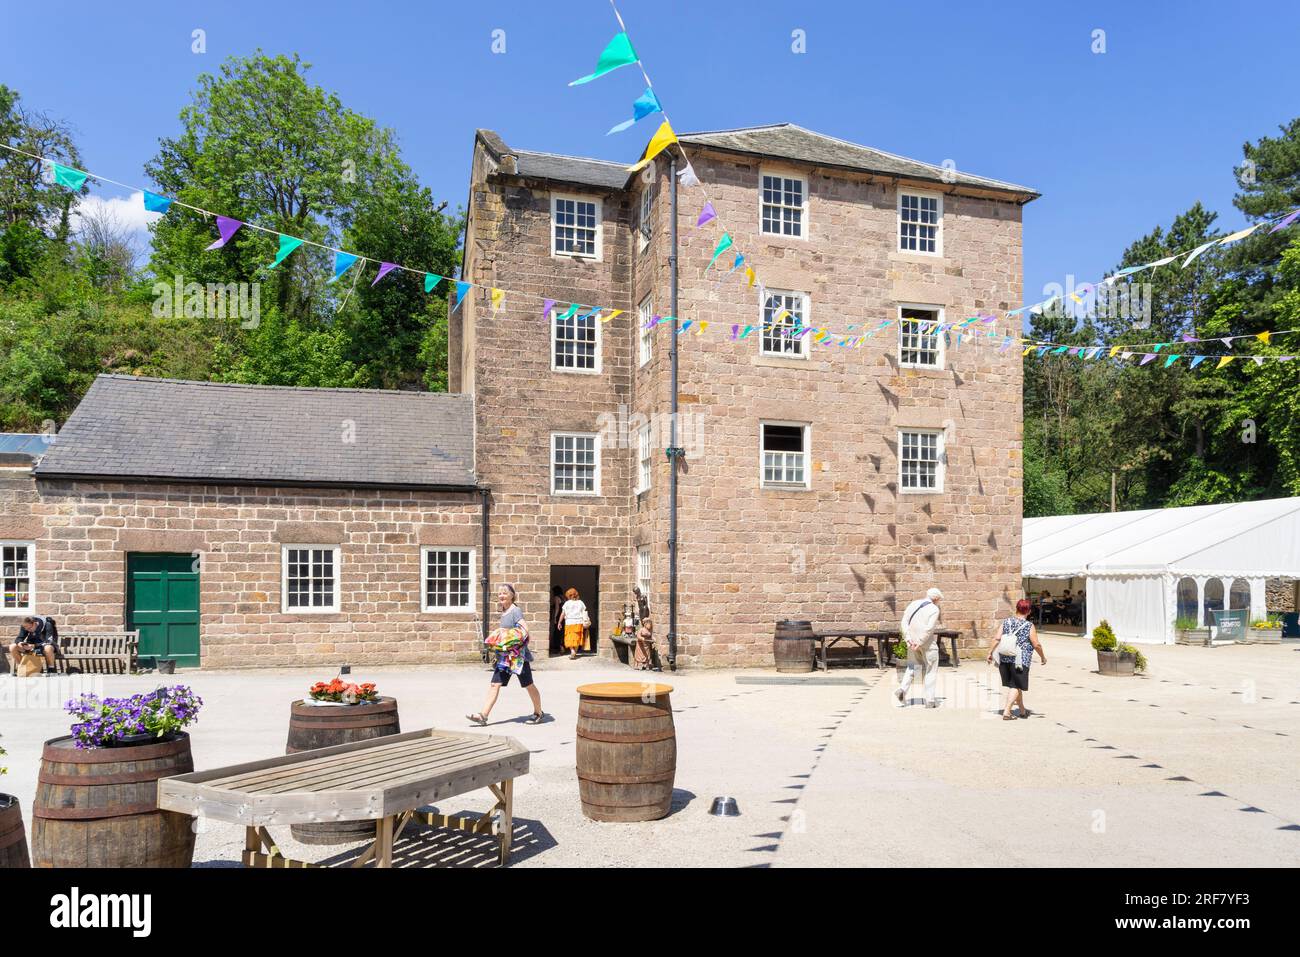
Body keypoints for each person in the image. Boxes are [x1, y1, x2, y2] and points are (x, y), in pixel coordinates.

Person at [467, 584, 544, 726]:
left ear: (512, 595)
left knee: (528, 685)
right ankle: (483, 715)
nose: (501, 596)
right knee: (495, 684)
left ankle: (538, 712)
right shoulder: (505, 611)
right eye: (499, 594)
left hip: (517, 657)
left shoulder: (515, 611)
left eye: (504, 593)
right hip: (504, 658)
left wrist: (511, 643)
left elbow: (525, 632)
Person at [986, 598, 1047, 720]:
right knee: (1016, 685)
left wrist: (990, 652)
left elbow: (997, 638)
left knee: (1015, 685)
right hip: (1020, 660)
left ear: (1016, 609)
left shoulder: (1006, 622)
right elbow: (1036, 644)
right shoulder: (1029, 625)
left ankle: (1023, 711)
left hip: (1004, 658)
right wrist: (1043, 657)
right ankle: (1007, 712)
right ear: (1029, 611)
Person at [895, 587, 943, 708]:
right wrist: (920, 642)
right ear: (936, 598)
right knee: (930, 670)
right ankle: (930, 700)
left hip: (912, 642)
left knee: (912, 668)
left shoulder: (913, 604)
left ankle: (902, 689)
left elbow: (904, 622)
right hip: (927, 644)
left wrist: (908, 639)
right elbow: (929, 628)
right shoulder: (934, 609)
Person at [558, 587, 590, 661]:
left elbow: (563, 614)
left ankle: (572, 650)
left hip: (569, 622)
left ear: (568, 595)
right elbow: (584, 612)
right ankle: (574, 652)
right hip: (579, 622)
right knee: (578, 637)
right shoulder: (580, 602)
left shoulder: (567, 603)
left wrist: (559, 622)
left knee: (569, 637)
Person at [549, 585, 564, 654]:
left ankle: (558, 648)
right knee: (561, 632)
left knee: (557, 632)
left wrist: (555, 617)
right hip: (563, 616)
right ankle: (562, 647)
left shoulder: (556, 597)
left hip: (558, 616)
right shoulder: (563, 597)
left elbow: (557, 608)